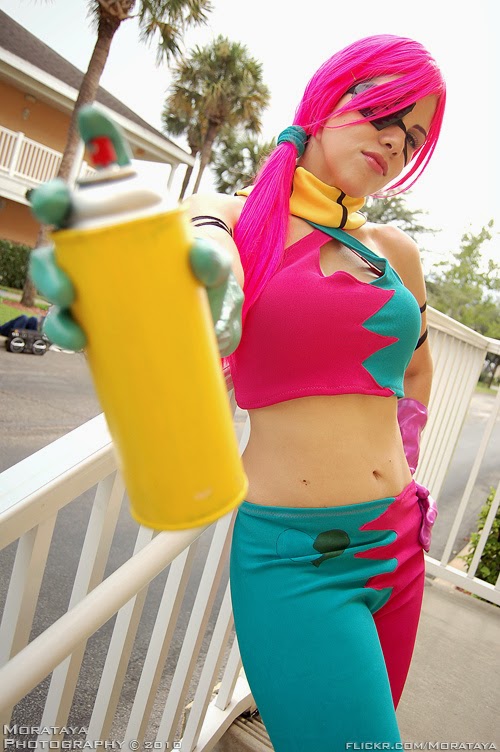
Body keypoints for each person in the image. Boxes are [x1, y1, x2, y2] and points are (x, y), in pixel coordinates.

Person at [29, 33, 443, 750]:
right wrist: (169, 285)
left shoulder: (395, 252)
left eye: (412, 137)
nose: (394, 141)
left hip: (399, 544)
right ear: (328, 95)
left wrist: (400, 461)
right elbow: (201, 249)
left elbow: (417, 369)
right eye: (384, 111)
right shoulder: (234, 215)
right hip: (299, 562)